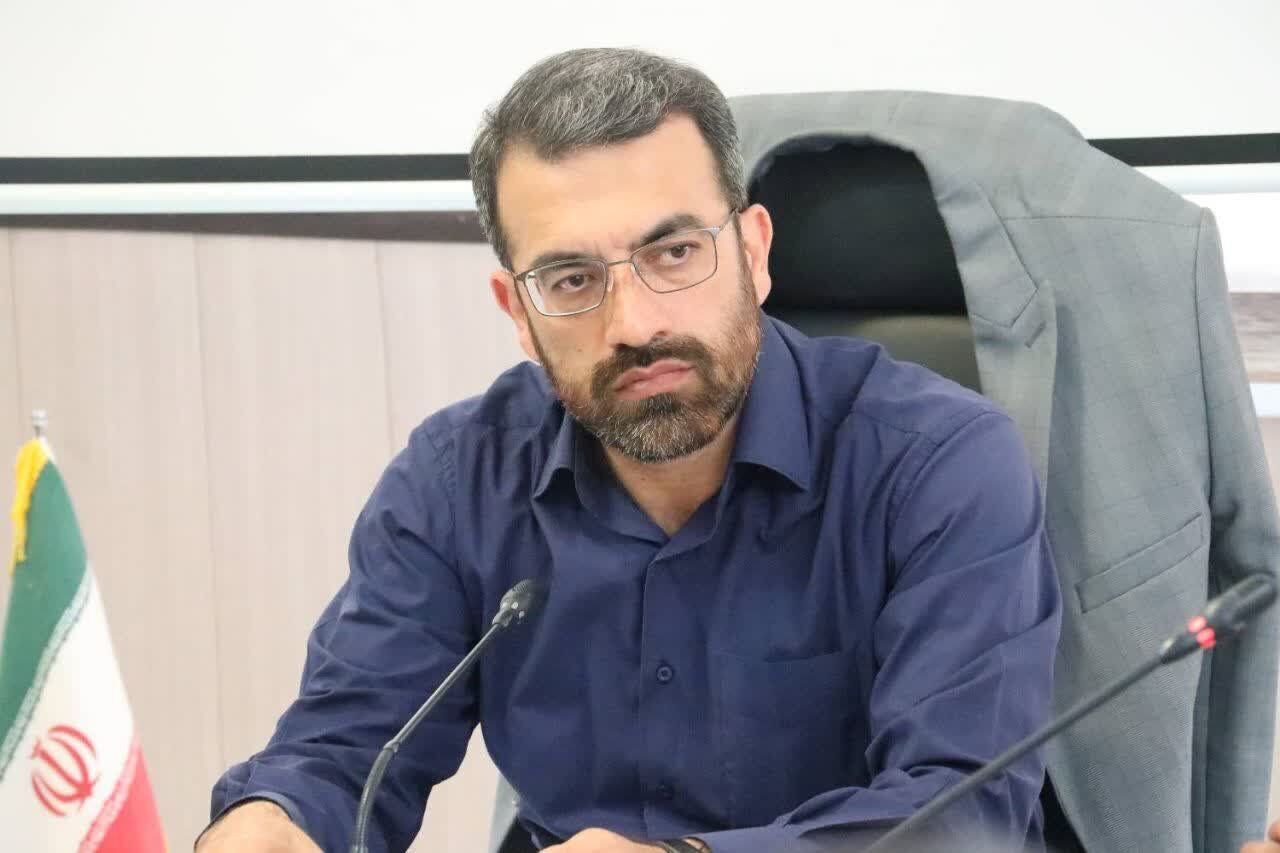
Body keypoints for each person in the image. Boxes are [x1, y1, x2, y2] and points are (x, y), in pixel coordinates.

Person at [197, 48, 1065, 853]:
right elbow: (341, 752)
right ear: (519, 314)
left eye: (675, 252)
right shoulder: (458, 481)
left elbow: (965, 814)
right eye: (572, 279)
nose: (636, 324)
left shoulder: (939, 465)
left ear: (754, 251)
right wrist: (270, 823)